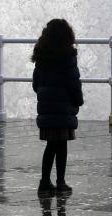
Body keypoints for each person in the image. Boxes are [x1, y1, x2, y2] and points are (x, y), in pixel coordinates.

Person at [32, 18, 83, 196]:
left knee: (51, 145)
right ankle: (60, 182)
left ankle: (45, 181)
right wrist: (78, 99)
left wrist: (44, 95)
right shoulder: (67, 56)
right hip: (63, 108)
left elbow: (35, 83)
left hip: (47, 107)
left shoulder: (42, 55)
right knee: (61, 146)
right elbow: (73, 82)